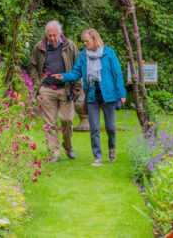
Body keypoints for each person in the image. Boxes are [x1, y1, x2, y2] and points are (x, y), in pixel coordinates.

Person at [52, 28, 126, 166]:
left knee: (110, 127)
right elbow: (75, 73)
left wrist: (121, 94)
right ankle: (97, 157)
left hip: (109, 94)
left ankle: (111, 148)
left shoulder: (108, 53)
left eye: (87, 40)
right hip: (92, 95)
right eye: (83, 41)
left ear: (94, 39)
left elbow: (117, 74)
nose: (85, 43)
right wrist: (63, 77)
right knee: (94, 128)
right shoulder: (83, 56)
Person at [29, 20, 82, 162]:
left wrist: (76, 87)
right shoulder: (39, 48)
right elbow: (33, 66)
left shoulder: (70, 46)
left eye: (54, 35)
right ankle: (54, 153)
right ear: (46, 35)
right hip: (46, 90)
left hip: (65, 88)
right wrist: (37, 85)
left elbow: (78, 66)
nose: (52, 38)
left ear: (60, 33)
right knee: (50, 123)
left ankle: (68, 146)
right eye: (49, 35)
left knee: (67, 119)